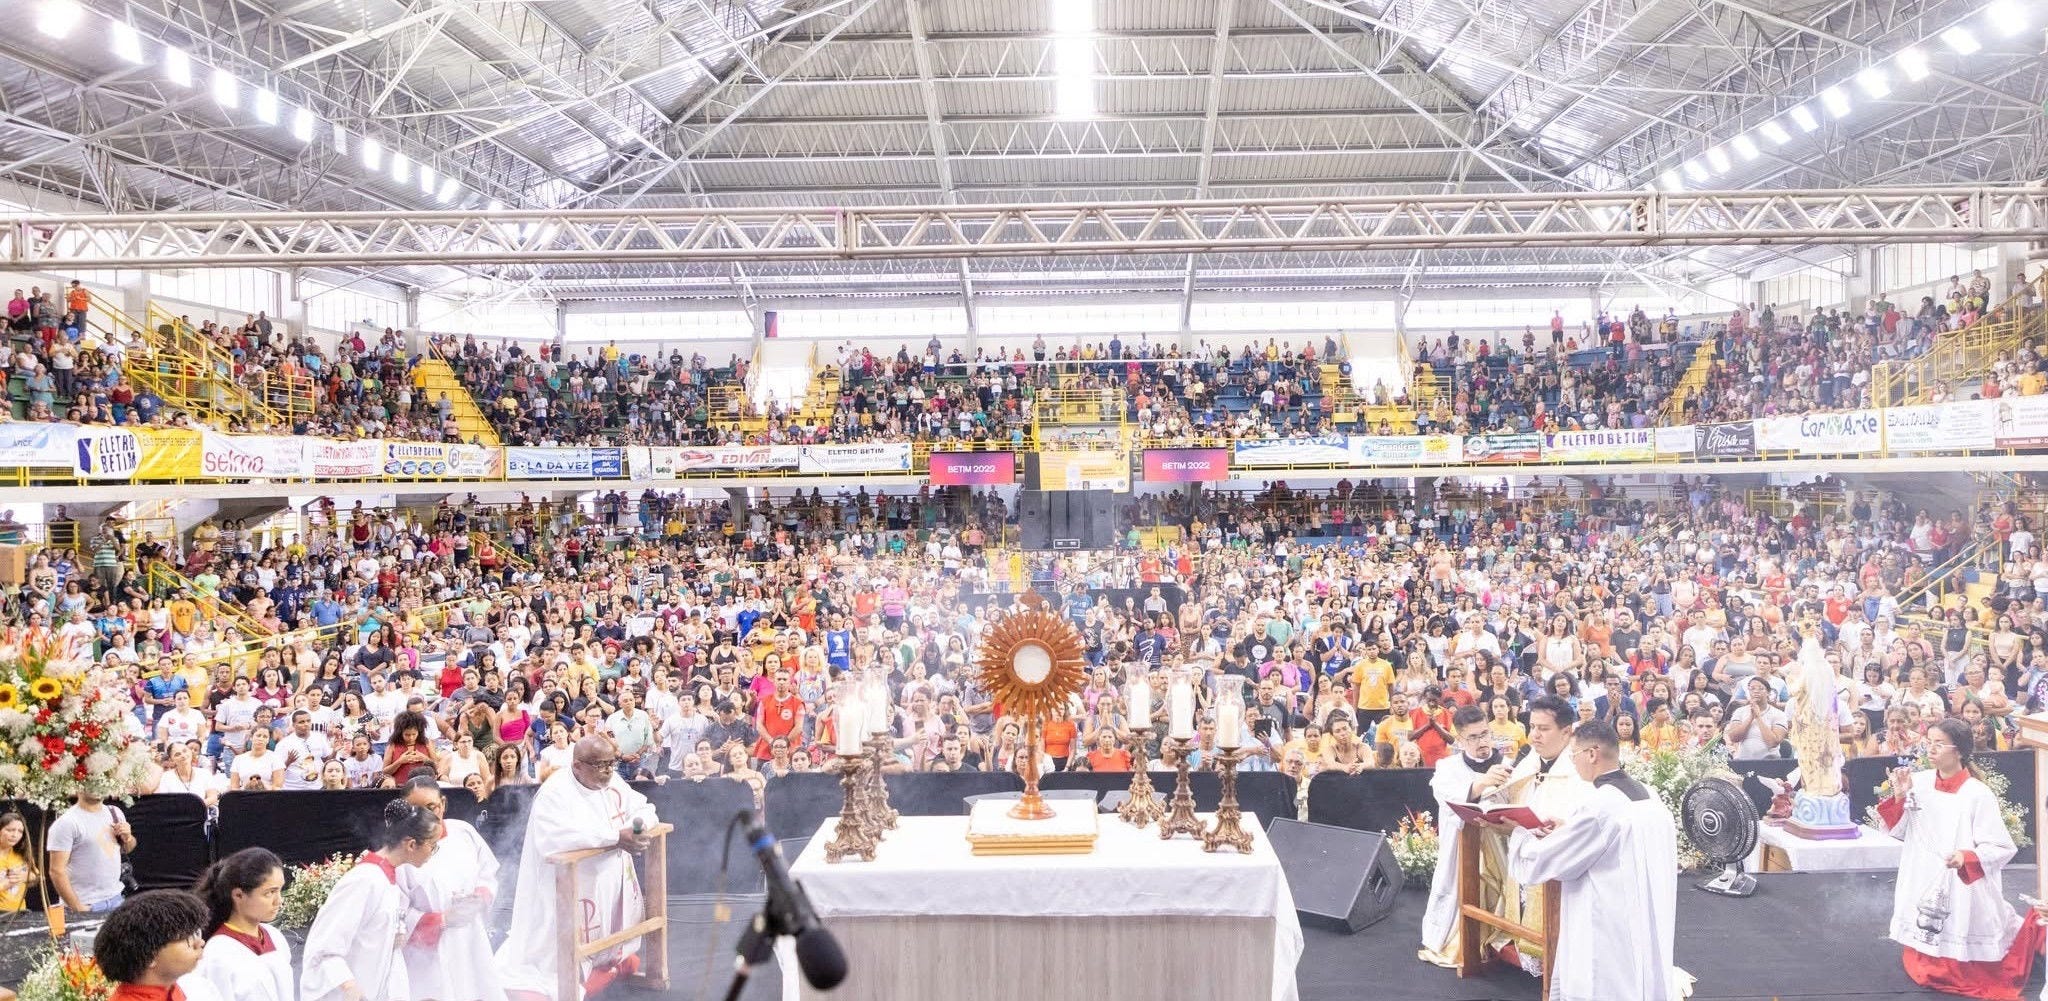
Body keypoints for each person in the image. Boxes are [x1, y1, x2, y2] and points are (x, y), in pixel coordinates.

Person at [1499, 720, 1678, 1001]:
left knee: (1602, 983)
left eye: (1574, 755)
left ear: (1592, 754)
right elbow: (1609, 841)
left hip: (1607, 918)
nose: (1573, 763)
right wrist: (1567, 828)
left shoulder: (1600, 805)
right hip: (1645, 912)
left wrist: (1519, 832)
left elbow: (1546, 859)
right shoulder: (1648, 794)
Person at [1875, 717, 2043, 1000]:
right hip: (1923, 870)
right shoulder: (1920, 782)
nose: (1930, 749)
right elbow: (1897, 829)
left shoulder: (1978, 794)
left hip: (1960, 877)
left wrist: (1967, 856)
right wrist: (1900, 796)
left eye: (1939, 744)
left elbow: (2001, 846)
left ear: (1960, 751)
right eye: (1928, 742)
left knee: (1960, 924)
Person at [498, 736, 659, 1001]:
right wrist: (616, 836)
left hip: (609, 877)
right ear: (577, 766)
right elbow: (556, 836)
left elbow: (643, 807)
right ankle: (573, 971)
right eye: (600, 765)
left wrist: (638, 827)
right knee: (561, 945)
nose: (609, 770)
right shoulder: (555, 793)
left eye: (612, 763)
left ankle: (605, 961)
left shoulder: (613, 782)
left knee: (609, 927)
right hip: (572, 882)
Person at [302, 800, 443, 1001]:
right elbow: (324, 947)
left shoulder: (389, 878)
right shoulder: (363, 881)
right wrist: (349, 986)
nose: (433, 852)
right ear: (411, 844)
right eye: (433, 845)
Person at [1418, 705, 1514, 968]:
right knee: (1461, 890)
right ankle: (1462, 941)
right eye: (1473, 737)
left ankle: (1501, 940)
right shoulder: (1447, 766)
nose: (1482, 742)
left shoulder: (1507, 765)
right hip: (1462, 847)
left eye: (1485, 734)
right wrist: (1482, 784)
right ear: (1460, 739)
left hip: (1499, 845)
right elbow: (1447, 798)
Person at [401, 777, 505, 1001]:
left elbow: (488, 873)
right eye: (415, 810)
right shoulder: (402, 850)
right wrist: (441, 920)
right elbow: (395, 912)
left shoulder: (463, 832)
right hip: (426, 955)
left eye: (431, 807)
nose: (425, 816)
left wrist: (479, 898)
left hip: (470, 938)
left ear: (443, 804)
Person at [195, 848, 295, 1001]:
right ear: (238, 895)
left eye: (280, 891)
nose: (279, 901)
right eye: (269, 893)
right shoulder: (218, 954)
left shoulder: (274, 936)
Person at [93, 890, 217, 1001]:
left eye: (196, 934)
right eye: (188, 939)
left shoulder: (177, 988)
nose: (200, 942)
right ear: (150, 956)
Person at [48, 789, 136, 914]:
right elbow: (56, 870)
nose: (97, 787)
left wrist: (127, 837)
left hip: (117, 899)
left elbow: (127, 848)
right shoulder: (67, 822)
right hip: (86, 904)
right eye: (90, 779)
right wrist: (77, 907)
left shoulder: (114, 812)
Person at [0, 811, 36, 912]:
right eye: (10, 830)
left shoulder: (22, 853)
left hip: (19, 911)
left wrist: (26, 876)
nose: (15, 835)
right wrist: (4, 885)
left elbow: (38, 875)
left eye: (20, 831)